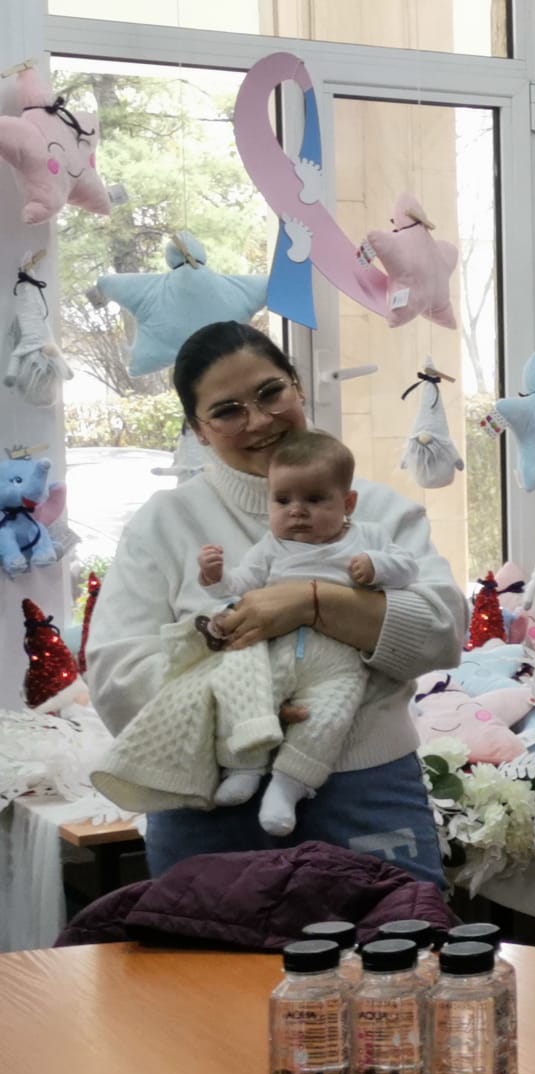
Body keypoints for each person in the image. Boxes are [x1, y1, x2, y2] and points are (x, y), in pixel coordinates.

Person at [87, 321, 464, 886]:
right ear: (199, 430)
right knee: (209, 949)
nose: (260, 420)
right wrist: (239, 714)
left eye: (270, 393)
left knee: (395, 943)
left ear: (298, 387)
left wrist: (312, 603)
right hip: (206, 800)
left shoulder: (380, 511)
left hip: (366, 789)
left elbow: (443, 632)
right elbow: (116, 674)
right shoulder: (165, 524)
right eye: (227, 411)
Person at [92, 431, 419, 838]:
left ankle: (287, 786)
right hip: (274, 649)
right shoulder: (271, 546)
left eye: (314, 500)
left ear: (348, 503)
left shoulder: (368, 538)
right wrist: (214, 576)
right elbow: (239, 584)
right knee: (245, 693)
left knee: (328, 718)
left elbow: (409, 569)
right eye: (283, 501)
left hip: (339, 660)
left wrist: (377, 566)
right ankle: (243, 767)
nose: (297, 511)